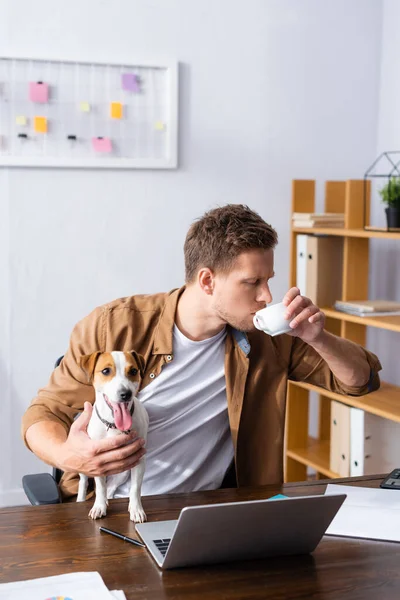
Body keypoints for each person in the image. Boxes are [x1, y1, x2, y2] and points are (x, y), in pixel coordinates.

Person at [22, 204, 381, 500]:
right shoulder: (113, 325)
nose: (267, 296)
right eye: (252, 282)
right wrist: (72, 456)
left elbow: (360, 380)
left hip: (208, 513)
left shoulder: (266, 338)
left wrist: (319, 338)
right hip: (105, 507)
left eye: (268, 280)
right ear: (208, 281)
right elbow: (43, 414)